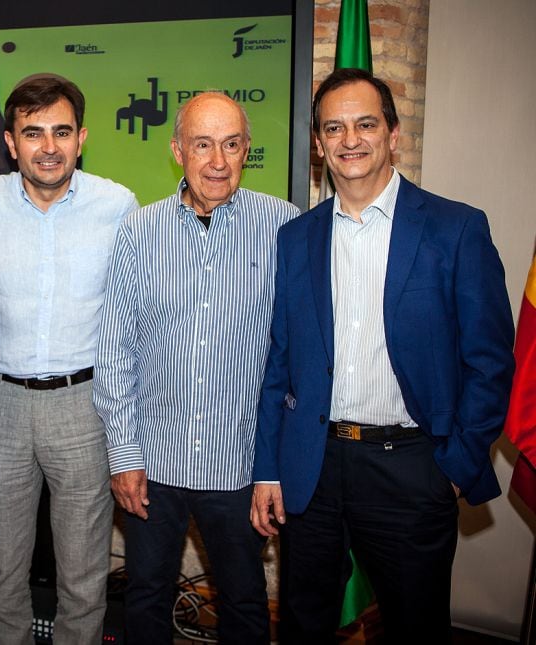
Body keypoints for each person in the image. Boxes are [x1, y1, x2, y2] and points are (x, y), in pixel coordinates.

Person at [250, 68, 515, 643]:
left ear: (393, 134)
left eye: (366, 124)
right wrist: (270, 467)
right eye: (335, 128)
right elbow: (280, 364)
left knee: (414, 628)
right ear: (319, 145)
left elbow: (491, 362)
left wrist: (453, 465)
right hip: (313, 469)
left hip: (411, 468)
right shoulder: (297, 238)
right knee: (303, 624)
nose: (351, 140)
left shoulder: (456, 229)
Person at [93, 92, 299, 644]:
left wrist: (273, 466)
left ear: (246, 150)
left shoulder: (284, 227)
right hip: (154, 466)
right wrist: (124, 455)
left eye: (231, 145)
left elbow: (296, 358)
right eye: (202, 144)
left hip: (242, 467)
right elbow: (115, 353)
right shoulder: (138, 232)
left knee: (246, 601)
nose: (217, 161)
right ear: (177, 149)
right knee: (146, 598)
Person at [0, 75, 138, 644]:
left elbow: (143, 301)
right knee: (3, 568)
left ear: (81, 138)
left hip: (85, 405)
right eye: (33, 133)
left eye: (60, 132)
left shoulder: (117, 205)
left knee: (83, 570)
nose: (48, 146)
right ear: (10, 142)